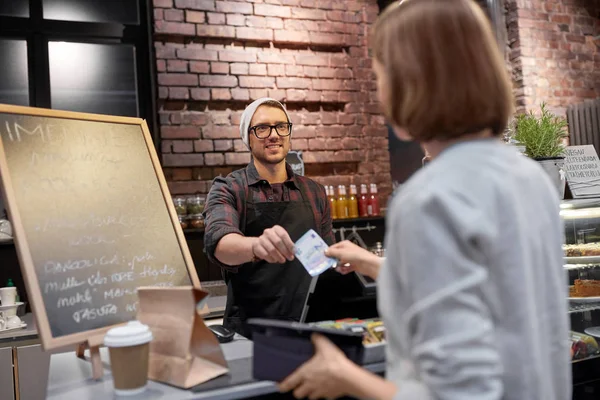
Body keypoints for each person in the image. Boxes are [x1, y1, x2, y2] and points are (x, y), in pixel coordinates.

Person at [279, 1, 571, 399]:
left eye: (380, 73)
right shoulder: (528, 178)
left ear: (410, 81)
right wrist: (378, 265)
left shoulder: (430, 198)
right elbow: (496, 301)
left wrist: (343, 376)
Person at [204, 98, 334, 338]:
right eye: (262, 128)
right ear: (248, 137)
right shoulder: (229, 188)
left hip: (308, 325)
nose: (273, 135)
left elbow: (325, 260)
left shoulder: (315, 191)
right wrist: (256, 245)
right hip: (251, 331)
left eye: (281, 126)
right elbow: (219, 243)